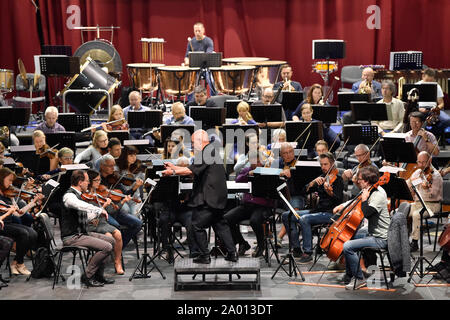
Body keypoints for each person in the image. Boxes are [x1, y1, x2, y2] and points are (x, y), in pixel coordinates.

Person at [161, 130, 237, 264]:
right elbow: (194, 170)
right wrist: (175, 167)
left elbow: (190, 170)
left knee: (196, 225)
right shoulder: (210, 151)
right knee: (220, 224)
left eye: (192, 142)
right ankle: (232, 253)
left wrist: (172, 171)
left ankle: (204, 255)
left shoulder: (206, 152)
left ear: (201, 141)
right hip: (217, 197)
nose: (191, 145)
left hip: (210, 196)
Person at [333, 166, 390, 290]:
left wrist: (364, 200)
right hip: (372, 233)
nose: (357, 181)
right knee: (350, 236)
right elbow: (355, 202)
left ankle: (359, 279)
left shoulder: (378, 194)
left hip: (380, 237)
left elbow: (367, 213)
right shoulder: (368, 190)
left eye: (359, 179)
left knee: (348, 246)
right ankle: (350, 274)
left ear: (366, 180)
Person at [282, 152, 344, 262]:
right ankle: (296, 248)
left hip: (330, 213)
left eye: (326, 164)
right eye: (322, 165)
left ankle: (308, 252)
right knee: (286, 215)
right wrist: (312, 183)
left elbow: (339, 200)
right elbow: (303, 191)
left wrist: (329, 192)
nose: (323, 167)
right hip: (317, 211)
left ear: (332, 164)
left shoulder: (338, 180)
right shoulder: (321, 178)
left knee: (304, 219)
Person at [61, 170, 115, 287]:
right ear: (80, 182)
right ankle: (88, 275)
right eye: (87, 181)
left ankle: (98, 275)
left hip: (82, 233)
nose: (88, 183)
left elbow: (84, 215)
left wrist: (98, 213)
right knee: (107, 247)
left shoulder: (79, 195)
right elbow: (77, 205)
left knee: (111, 241)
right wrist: (97, 209)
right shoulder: (69, 196)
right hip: (72, 237)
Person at [224, 150, 276, 257]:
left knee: (255, 221)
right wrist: (248, 174)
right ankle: (242, 243)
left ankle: (261, 246)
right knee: (227, 218)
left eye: (258, 161)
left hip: (262, 206)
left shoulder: (267, 171)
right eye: (254, 161)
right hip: (247, 205)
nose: (256, 163)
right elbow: (238, 180)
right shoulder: (248, 170)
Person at [0, 168, 39, 276]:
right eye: (9, 180)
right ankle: (20, 263)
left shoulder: (8, 194)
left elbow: (18, 213)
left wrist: (33, 202)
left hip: (9, 223)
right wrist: (7, 210)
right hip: (1, 224)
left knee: (33, 233)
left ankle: (16, 262)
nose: (11, 183)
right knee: (23, 233)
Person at [98, 154, 143, 248]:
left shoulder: (115, 178)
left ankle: (119, 247)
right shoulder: (96, 179)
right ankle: (112, 249)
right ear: (102, 166)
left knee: (138, 223)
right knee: (116, 226)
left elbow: (125, 194)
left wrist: (135, 187)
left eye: (114, 165)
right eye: (110, 166)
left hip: (117, 210)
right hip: (105, 211)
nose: (113, 168)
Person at [86, 169, 124, 274]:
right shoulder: (86, 196)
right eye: (96, 180)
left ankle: (117, 261)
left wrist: (120, 202)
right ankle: (98, 264)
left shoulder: (98, 195)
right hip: (92, 224)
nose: (99, 182)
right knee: (109, 237)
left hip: (102, 223)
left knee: (118, 234)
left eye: (99, 180)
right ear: (89, 181)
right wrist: (104, 206)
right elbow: (90, 216)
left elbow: (110, 211)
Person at [407, 151, 443, 252]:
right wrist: (410, 182)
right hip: (418, 203)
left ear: (430, 160)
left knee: (416, 214)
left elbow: (433, 195)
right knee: (401, 211)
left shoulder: (436, 176)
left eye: (424, 162)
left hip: (432, 205)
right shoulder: (418, 173)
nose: (421, 165)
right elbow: (408, 186)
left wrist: (426, 188)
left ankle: (414, 242)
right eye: (419, 162)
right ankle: (403, 240)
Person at [415, 68, 450, 139]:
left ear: (434, 79)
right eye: (427, 80)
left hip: (433, 110)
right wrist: (419, 108)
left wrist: (436, 109)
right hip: (419, 109)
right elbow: (412, 103)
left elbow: (441, 103)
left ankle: (432, 135)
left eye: (431, 81)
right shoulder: (416, 86)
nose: (428, 83)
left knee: (447, 120)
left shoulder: (437, 86)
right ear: (423, 76)